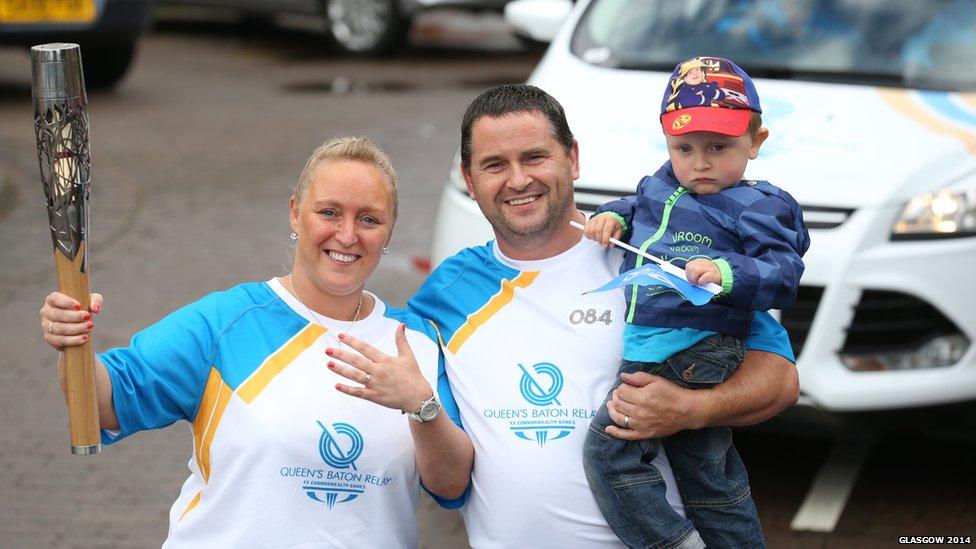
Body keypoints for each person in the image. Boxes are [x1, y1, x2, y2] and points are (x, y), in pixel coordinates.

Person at [408, 83, 800, 548]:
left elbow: (781, 380)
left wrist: (694, 409)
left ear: (572, 159)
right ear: (469, 181)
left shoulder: (649, 255)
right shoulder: (445, 294)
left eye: (534, 157)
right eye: (494, 165)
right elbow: (445, 481)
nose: (517, 180)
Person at [39, 137, 474, 548]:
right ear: (294, 213)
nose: (347, 235)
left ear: (389, 231)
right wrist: (72, 338)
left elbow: (451, 485)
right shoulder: (227, 322)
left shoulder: (414, 343)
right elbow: (104, 403)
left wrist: (422, 406)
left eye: (369, 219)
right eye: (328, 212)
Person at [582, 56, 809, 548]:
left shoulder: (758, 204)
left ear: (757, 142)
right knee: (708, 472)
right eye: (683, 147)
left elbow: (785, 271)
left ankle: (675, 543)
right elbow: (638, 208)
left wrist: (727, 272)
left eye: (718, 147)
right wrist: (610, 216)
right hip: (657, 344)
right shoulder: (660, 185)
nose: (700, 163)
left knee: (609, 452)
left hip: (701, 344)